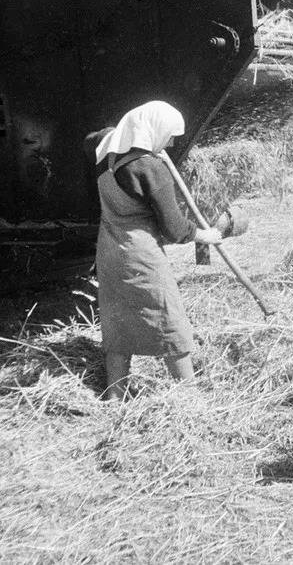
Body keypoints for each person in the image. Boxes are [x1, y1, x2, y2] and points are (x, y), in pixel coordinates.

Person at [89, 100, 222, 400]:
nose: (173, 142)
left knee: (117, 322)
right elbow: (174, 229)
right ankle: (190, 398)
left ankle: (115, 397)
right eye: (170, 134)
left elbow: (95, 137)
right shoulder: (151, 168)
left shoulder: (106, 154)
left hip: (109, 253)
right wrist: (206, 235)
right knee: (168, 319)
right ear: (153, 129)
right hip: (141, 255)